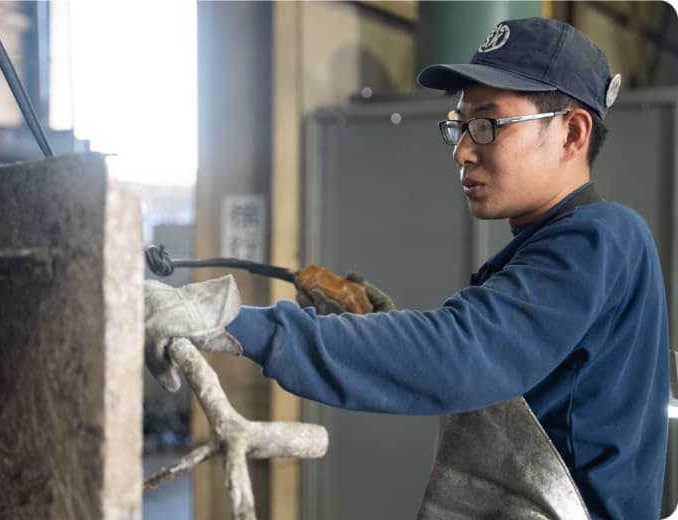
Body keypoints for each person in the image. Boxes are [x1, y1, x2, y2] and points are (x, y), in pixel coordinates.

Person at [145, 17, 669, 520]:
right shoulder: (547, 247)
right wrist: (377, 323)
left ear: (572, 134)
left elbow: (459, 354)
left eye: (486, 125)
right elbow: (502, 370)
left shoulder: (599, 238)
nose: (462, 151)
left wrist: (232, 321)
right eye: (459, 127)